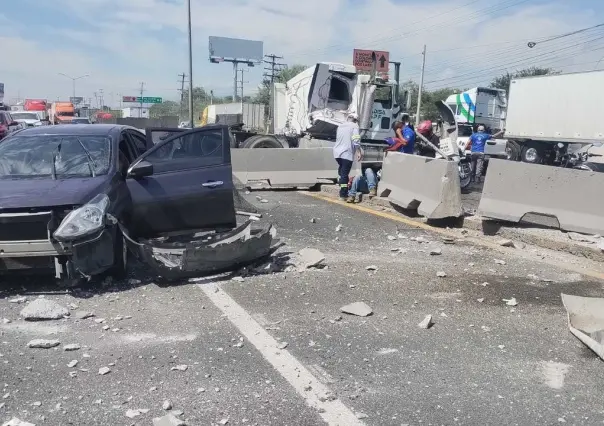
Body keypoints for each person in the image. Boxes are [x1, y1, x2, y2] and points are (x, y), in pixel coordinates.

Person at [334, 112, 362, 200]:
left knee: (342, 172)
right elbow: (356, 140)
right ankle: (343, 194)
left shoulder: (340, 126)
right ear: (356, 120)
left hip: (337, 153)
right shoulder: (354, 126)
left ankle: (342, 182)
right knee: (344, 174)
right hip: (347, 153)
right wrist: (359, 151)